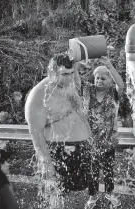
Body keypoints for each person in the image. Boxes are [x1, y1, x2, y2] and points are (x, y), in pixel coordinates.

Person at [24, 53, 92, 196]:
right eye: (64, 74)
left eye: (72, 73)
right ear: (51, 72)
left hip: (81, 148)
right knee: (61, 197)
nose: (69, 78)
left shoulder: (68, 85)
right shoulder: (38, 96)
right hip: (60, 151)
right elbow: (36, 134)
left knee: (83, 193)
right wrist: (47, 165)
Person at [78, 57, 124, 209]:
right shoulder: (88, 90)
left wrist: (109, 65)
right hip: (89, 141)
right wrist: (78, 63)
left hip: (108, 141)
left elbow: (121, 85)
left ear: (109, 80)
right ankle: (93, 195)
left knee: (108, 171)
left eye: (103, 78)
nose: (99, 80)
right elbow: (76, 79)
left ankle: (110, 193)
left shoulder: (113, 93)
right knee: (91, 172)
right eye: (97, 77)